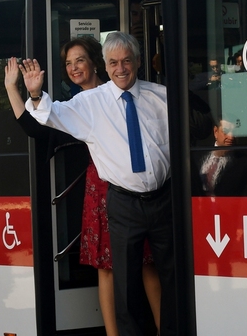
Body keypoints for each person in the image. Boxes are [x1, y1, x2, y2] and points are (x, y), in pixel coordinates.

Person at [20, 32, 174, 336]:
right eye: (114, 62)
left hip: (163, 201)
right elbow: (51, 115)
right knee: (126, 286)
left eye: (126, 61)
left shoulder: (162, 96)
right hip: (123, 203)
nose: (120, 68)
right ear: (106, 65)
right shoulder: (90, 102)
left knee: (172, 279)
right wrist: (36, 94)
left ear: (138, 62)